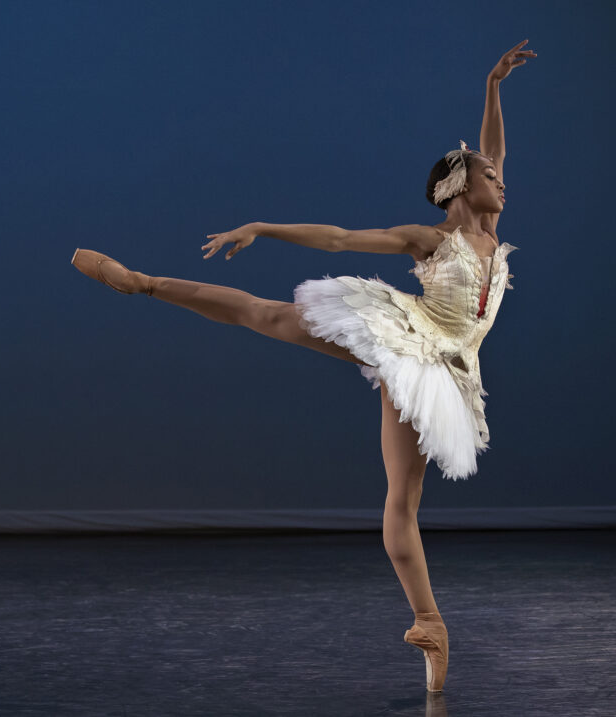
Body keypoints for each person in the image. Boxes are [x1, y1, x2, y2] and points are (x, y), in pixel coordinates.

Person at [70, 39, 536, 693]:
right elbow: (341, 238)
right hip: (405, 337)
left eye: (501, 174)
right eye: (490, 176)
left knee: (403, 499)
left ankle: (430, 623)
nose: (503, 180)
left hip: (446, 374)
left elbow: (495, 148)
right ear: (460, 186)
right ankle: (143, 282)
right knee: (268, 316)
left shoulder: (489, 235)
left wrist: (493, 85)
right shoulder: (435, 239)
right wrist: (264, 224)